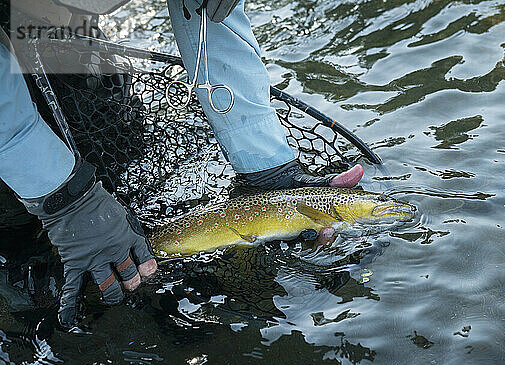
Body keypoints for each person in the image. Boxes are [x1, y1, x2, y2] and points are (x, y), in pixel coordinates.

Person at [0, 0, 363, 331]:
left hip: (58, 20)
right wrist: (64, 200)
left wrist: (265, 164)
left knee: (115, 153)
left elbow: (209, 19)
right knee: (25, 262)